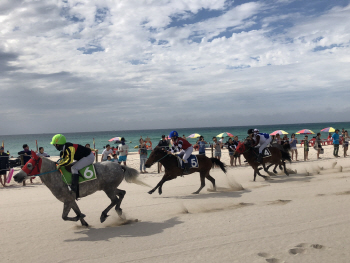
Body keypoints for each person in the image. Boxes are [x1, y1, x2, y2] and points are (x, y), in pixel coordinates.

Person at [51, 134, 94, 199]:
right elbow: (63, 160)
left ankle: (74, 188)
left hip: (89, 157)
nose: (54, 146)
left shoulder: (69, 148)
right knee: (71, 167)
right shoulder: (64, 149)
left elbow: (69, 161)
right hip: (83, 157)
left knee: (74, 168)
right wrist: (58, 163)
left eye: (54, 145)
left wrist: (60, 165)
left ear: (58, 144)